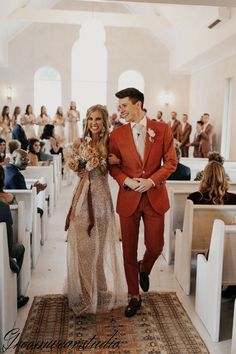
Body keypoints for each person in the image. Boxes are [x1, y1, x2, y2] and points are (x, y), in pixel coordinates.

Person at [109, 88, 177, 317]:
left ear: (137, 105)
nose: (120, 110)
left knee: (156, 246)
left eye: (124, 106)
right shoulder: (116, 134)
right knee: (128, 249)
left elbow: (171, 163)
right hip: (128, 197)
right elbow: (113, 166)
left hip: (154, 197)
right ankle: (133, 296)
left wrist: (151, 181)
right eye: (119, 106)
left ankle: (143, 268)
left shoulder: (162, 129)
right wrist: (125, 180)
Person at [65, 104, 126, 315]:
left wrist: (116, 160)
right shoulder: (80, 143)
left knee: (98, 250)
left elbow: (118, 166)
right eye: (91, 118)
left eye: (98, 119)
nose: (94, 123)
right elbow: (76, 168)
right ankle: (86, 295)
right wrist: (78, 169)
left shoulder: (111, 143)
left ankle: (100, 289)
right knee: (83, 248)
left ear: (105, 121)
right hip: (83, 199)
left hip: (102, 201)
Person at [0, 166, 29, 308]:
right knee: (20, 248)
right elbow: (8, 247)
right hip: (2, 256)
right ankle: (15, 295)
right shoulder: (4, 207)